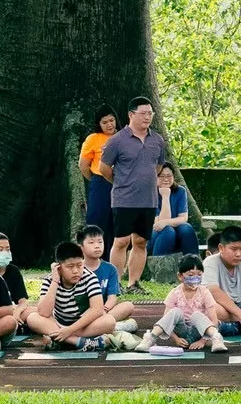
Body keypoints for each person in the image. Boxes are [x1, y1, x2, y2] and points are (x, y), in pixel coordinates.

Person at [101, 96, 167, 295]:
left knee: (140, 242)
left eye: (150, 113)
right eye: (143, 113)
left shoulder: (157, 140)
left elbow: (158, 166)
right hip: (124, 199)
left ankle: (134, 283)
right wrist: (121, 182)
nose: (147, 117)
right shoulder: (118, 140)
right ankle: (116, 284)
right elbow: (104, 168)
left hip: (148, 200)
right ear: (131, 115)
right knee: (121, 241)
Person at [23, 242, 119, 350]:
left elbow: (97, 309)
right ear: (58, 267)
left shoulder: (90, 277)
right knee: (32, 318)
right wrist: (55, 281)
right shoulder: (50, 280)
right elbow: (44, 313)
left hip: (83, 325)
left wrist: (69, 330)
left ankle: (60, 339)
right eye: (70, 266)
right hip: (58, 323)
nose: (76, 271)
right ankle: (78, 342)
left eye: (79, 265)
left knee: (109, 321)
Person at [140, 254, 228, 353]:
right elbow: (167, 320)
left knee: (197, 315)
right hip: (181, 331)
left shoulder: (205, 292)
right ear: (180, 276)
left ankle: (216, 338)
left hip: (199, 331)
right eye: (190, 275)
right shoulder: (175, 293)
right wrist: (176, 339)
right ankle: (150, 338)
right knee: (175, 311)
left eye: (199, 275)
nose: (195, 278)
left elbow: (214, 320)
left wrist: (202, 341)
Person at [79, 225, 137, 330]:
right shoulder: (76, 269)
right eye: (91, 243)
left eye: (100, 242)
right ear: (81, 247)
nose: (97, 246)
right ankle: (105, 327)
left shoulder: (110, 269)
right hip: (81, 313)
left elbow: (112, 297)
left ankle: (98, 325)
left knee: (128, 306)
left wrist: (103, 310)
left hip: (103, 312)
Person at [79, 106, 119, 233]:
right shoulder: (93, 138)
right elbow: (83, 165)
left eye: (111, 120)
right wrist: (96, 179)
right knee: (97, 221)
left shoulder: (124, 136)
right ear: (99, 124)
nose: (109, 125)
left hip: (122, 183)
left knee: (118, 222)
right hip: (100, 182)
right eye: (105, 122)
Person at [150, 162, 199, 257]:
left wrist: (165, 222)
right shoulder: (149, 193)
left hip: (175, 231)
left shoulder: (180, 191)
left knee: (186, 228)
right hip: (154, 235)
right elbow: (158, 224)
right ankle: (158, 265)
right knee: (168, 231)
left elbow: (183, 218)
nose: (166, 179)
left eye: (169, 176)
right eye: (161, 176)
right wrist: (165, 196)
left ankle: (193, 263)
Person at [0, 231, 31, 324]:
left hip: (10, 313)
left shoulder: (13, 271)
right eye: (0, 250)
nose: (5, 253)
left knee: (35, 312)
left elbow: (22, 301)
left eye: (7, 249)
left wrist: (17, 312)